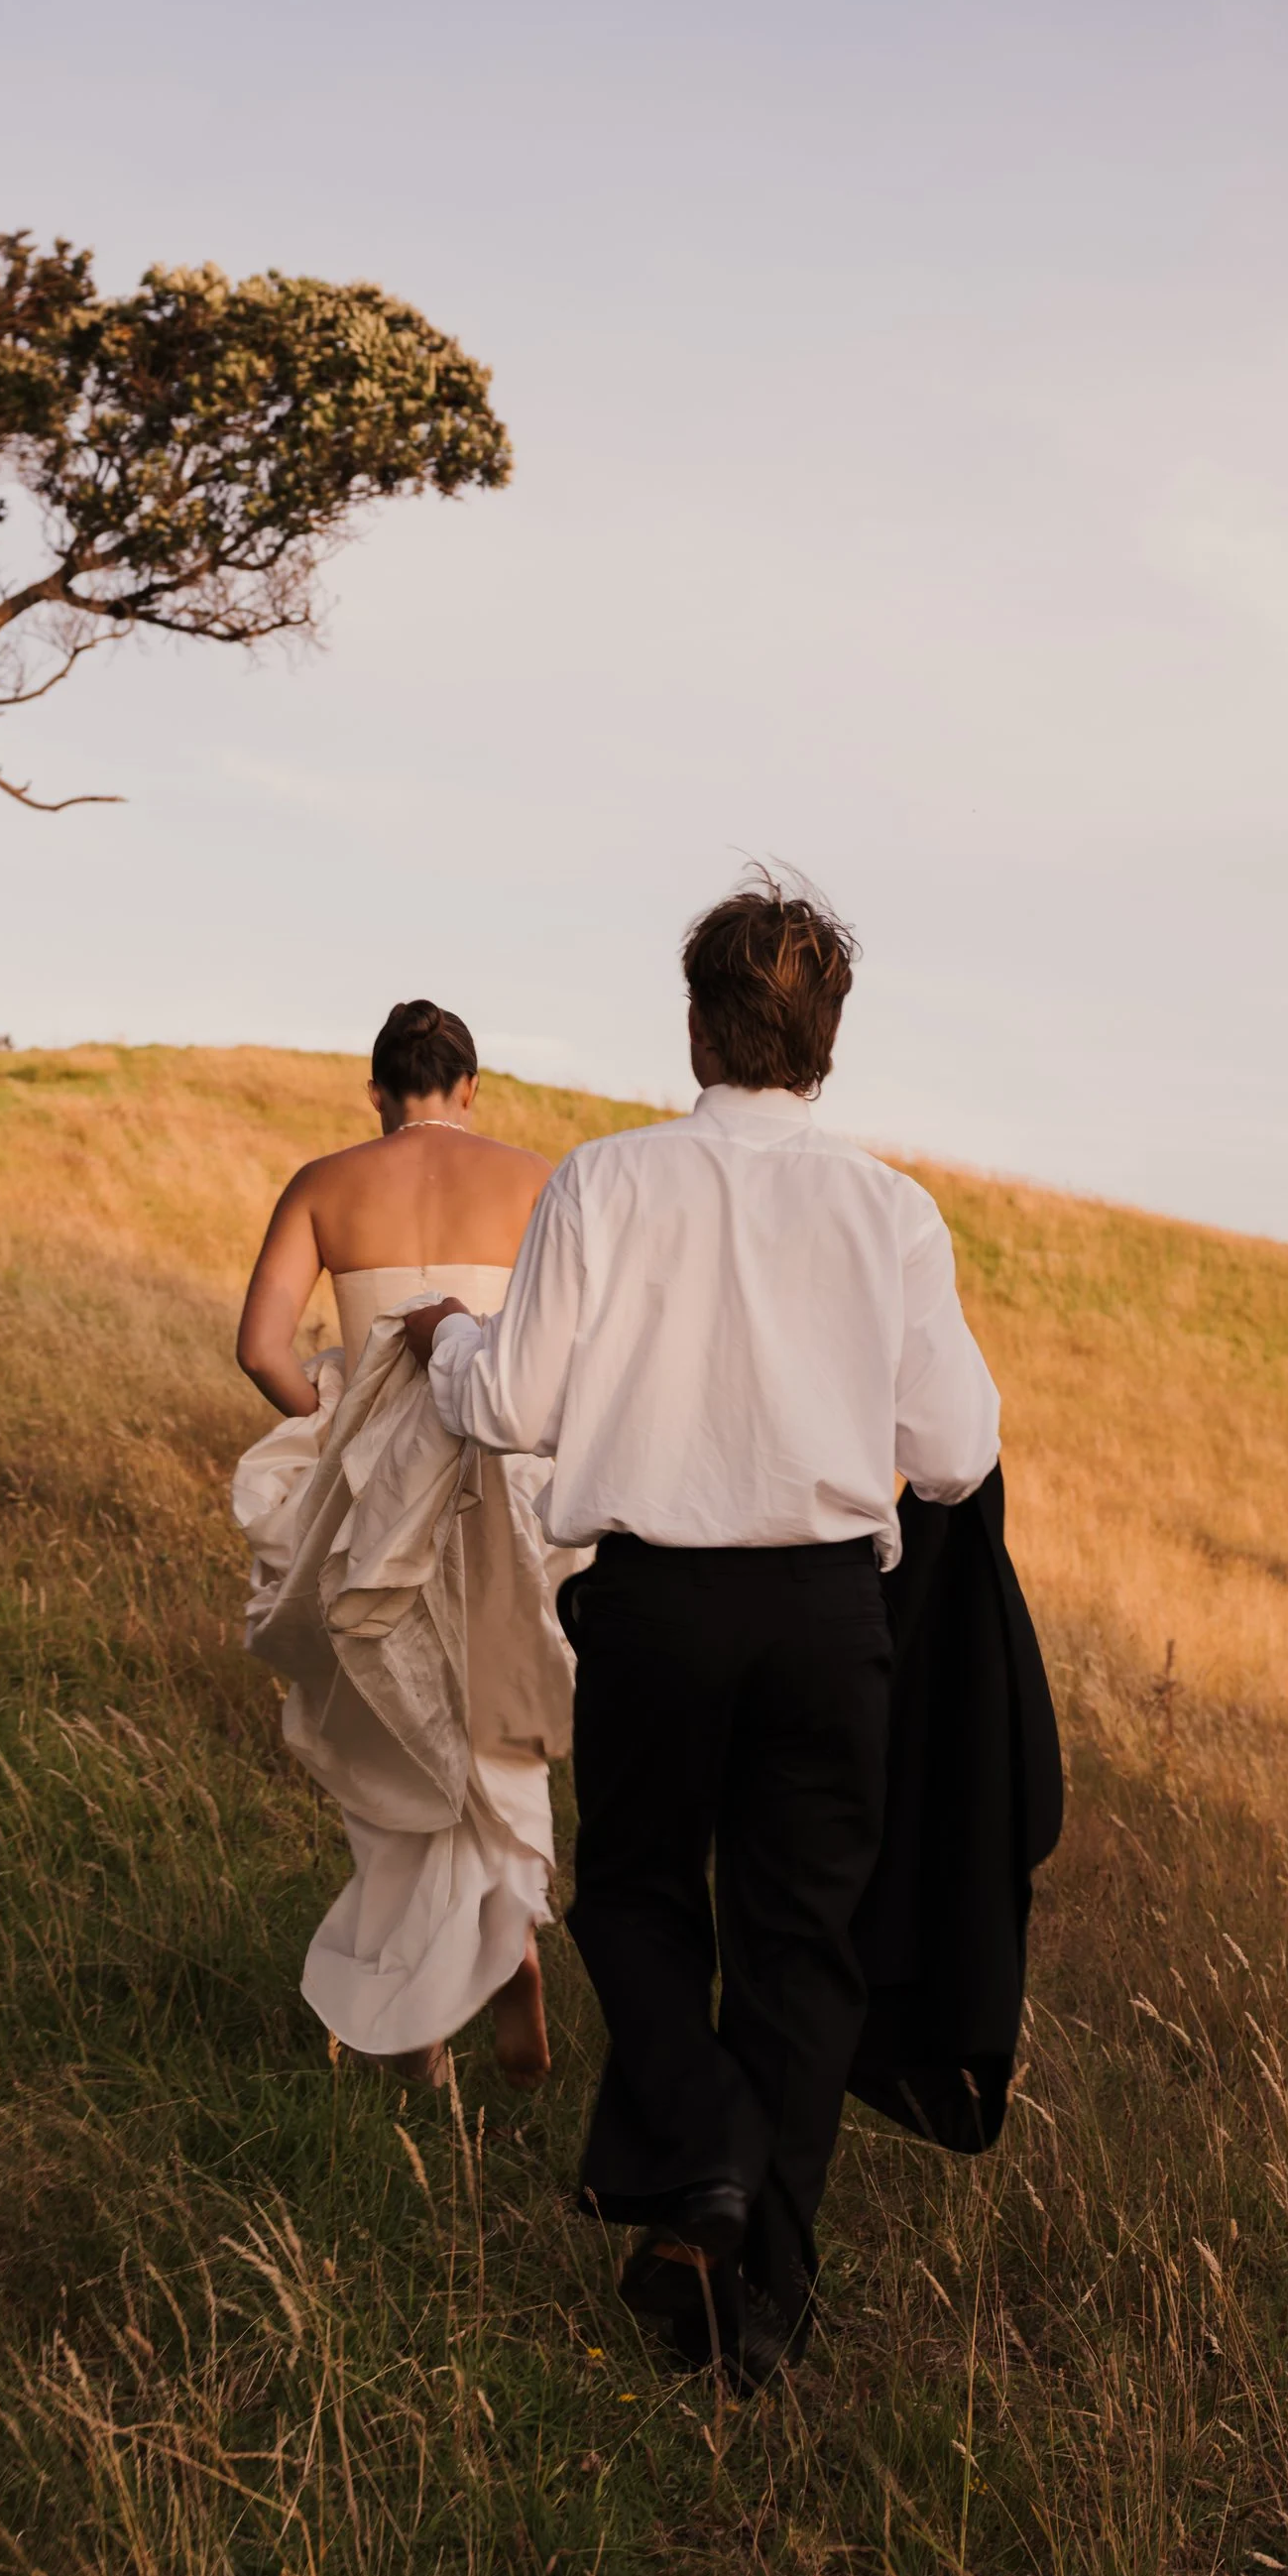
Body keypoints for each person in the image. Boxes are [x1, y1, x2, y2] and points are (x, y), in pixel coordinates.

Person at [405, 881, 1001, 2389]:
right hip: (826, 1620)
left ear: (696, 1027)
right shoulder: (892, 1212)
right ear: (828, 1038)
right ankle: (763, 2308)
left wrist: (448, 1341)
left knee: (638, 1899)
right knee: (801, 1951)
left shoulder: (604, 1183)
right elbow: (955, 1453)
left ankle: (711, 2161)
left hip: (658, 1608)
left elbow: (510, 1405)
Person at [233, 999, 579, 2089]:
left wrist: (333, 1419)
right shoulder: (536, 1183)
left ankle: (416, 2030)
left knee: (391, 1720)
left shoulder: (324, 1183)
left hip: (373, 1495)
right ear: (471, 1088)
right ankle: (509, 1931)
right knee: (497, 1717)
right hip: (499, 1481)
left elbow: (260, 1348)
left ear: (378, 1091)